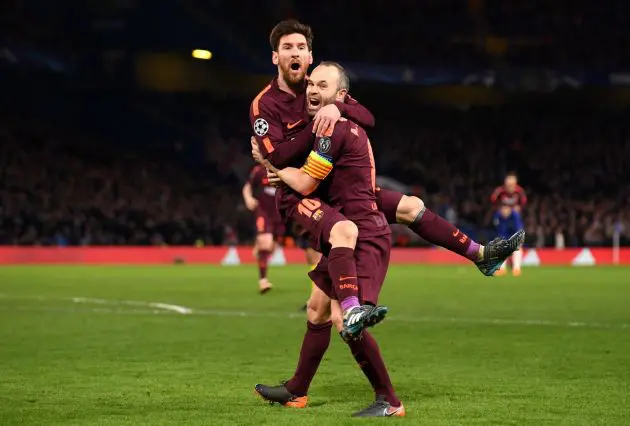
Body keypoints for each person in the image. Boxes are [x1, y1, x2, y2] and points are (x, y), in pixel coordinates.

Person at [249, 19, 525, 286]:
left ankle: (479, 255)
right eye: (287, 47)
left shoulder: (319, 85)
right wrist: (278, 167)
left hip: (339, 187)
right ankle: (349, 306)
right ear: (275, 57)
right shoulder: (265, 105)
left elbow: (367, 117)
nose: (294, 52)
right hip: (305, 195)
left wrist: (337, 108)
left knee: (412, 206)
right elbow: (278, 157)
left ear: (310, 56)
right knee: (335, 274)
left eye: (300, 47)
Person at [256, 62, 404, 417]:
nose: (311, 88)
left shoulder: (333, 126)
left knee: (341, 317)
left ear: (340, 95)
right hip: (347, 224)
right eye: (311, 82)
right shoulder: (321, 117)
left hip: (357, 229)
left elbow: (305, 183)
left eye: (322, 84)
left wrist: (276, 168)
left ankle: (389, 400)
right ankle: (297, 391)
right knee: (317, 309)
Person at [242, 164, 285, 293]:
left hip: (280, 213)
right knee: (265, 243)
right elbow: (247, 186)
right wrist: (248, 198)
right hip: (263, 212)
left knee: (271, 247)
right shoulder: (259, 170)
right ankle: (263, 280)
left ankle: (259, 246)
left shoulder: (286, 168)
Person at [491, 172, 527, 276]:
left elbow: (523, 203)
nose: (510, 186)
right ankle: (502, 268)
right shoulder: (499, 192)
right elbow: (493, 202)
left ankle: (516, 268)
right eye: (508, 184)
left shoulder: (519, 192)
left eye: (512, 184)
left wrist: (515, 209)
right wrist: (501, 209)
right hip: (502, 219)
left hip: (514, 219)